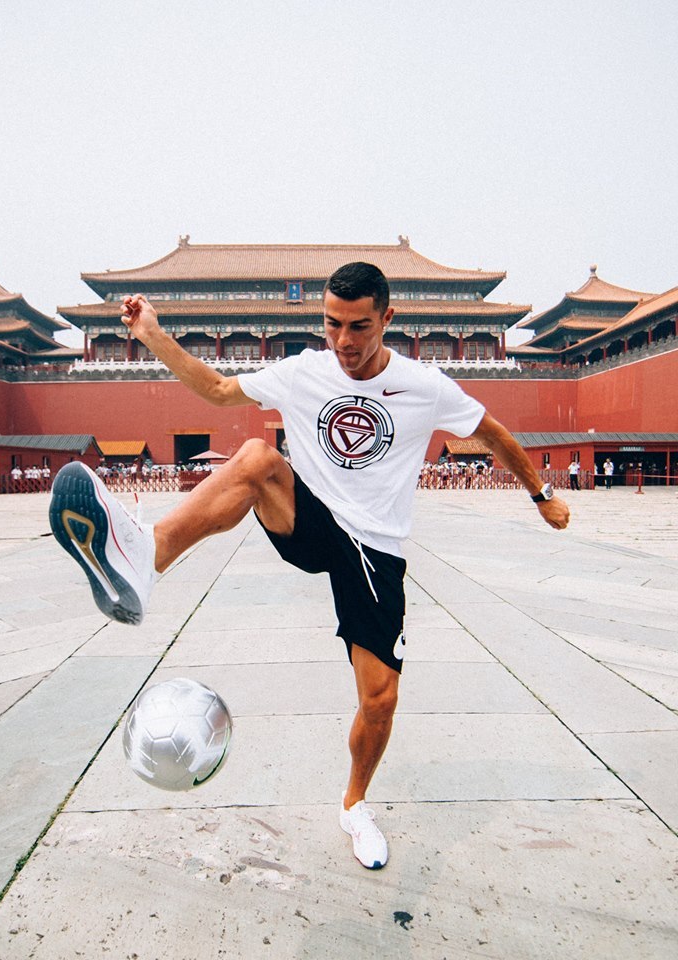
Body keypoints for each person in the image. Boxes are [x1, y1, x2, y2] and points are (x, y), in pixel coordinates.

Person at [49, 262, 570, 870]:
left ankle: (354, 805)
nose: (343, 340)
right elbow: (218, 391)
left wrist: (540, 494)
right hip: (312, 519)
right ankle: (143, 558)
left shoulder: (425, 386)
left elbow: (496, 434)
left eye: (358, 326)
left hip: (375, 550)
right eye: (331, 323)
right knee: (254, 457)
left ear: (388, 321)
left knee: (380, 699)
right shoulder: (303, 371)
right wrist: (153, 335)